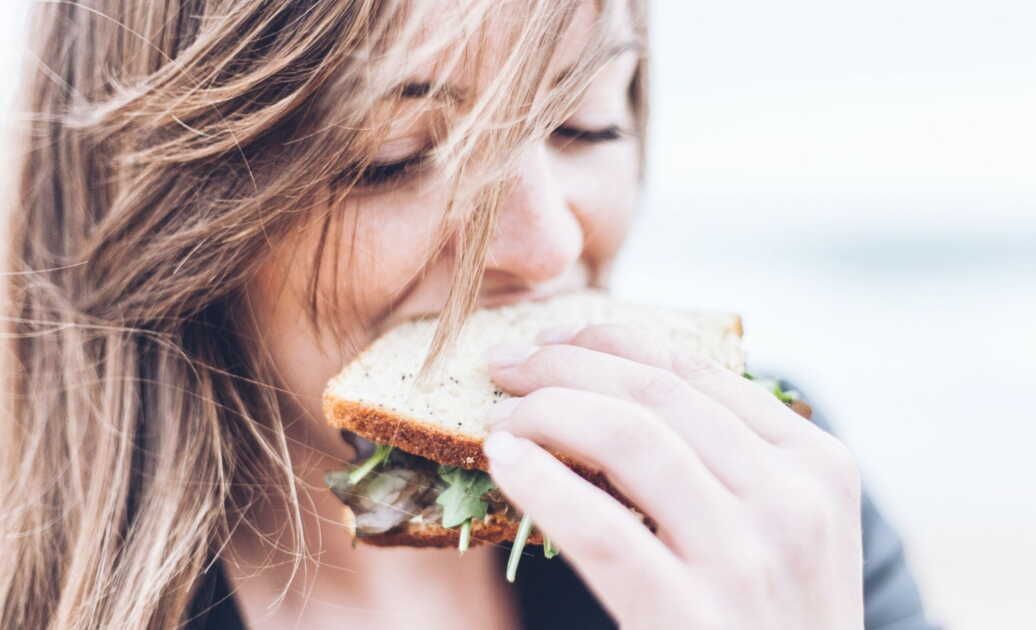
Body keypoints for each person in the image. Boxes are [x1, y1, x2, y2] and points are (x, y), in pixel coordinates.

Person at [0, 1, 938, 628]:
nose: (547, 248)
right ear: (171, 208)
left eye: (586, 125)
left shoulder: (767, 509)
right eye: (394, 155)